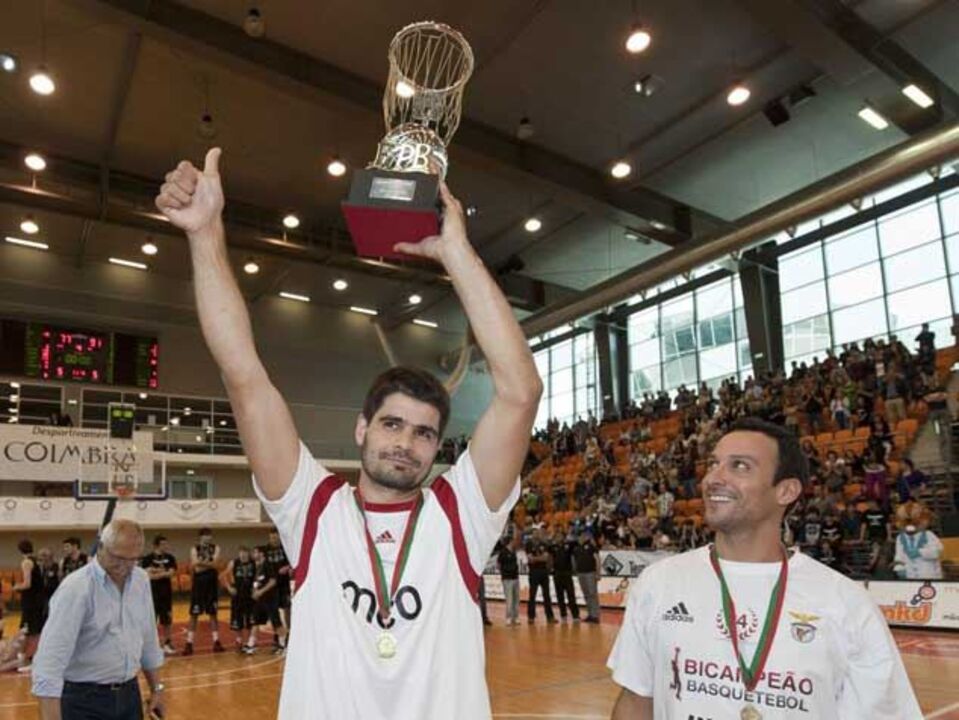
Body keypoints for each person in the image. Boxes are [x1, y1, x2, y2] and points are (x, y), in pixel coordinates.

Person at [155, 149, 541, 718]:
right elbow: (244, 376)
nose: (405, 443)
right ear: (361, 428)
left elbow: (520, 392)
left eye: (423, 434)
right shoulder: (312, 507)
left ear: (437, 448)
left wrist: (457, 254)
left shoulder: (460, 514)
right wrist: (206, 234)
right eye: (391, 424)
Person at [608, 417, 921, 719]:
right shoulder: (658, 583)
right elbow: (636, 702)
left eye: (739, 466)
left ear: (785, 491)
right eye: (713, 464)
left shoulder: (846, 604)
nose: (713, 478)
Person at [31, 519, 165, 720]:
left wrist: (157, 688)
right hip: (83, 701)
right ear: (101, 547)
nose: (124, 566)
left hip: (130, 695)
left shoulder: (140, 580)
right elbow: (49, 664)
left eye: (132, 559)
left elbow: (148, 639)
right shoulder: (76, 588)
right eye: (118, 557)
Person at [185, 527, 223, 655]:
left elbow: (216, 564)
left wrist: (202, 564)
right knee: (194, 614)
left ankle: (216, 641)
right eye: (205, 535)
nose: (208, 537)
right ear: (200, 537)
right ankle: (189, 643)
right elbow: (195, 566)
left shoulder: (216, 547)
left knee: (213, 613)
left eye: (209, 535)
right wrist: (208, 564)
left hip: (212, 584)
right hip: (199, 584)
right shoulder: (194, 548)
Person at [141, 535, 178, 654]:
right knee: (152, 620)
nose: (166, 546)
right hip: (152, 593)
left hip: (166, 593)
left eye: (166, 544)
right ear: (156, 545)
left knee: (167, 620)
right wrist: (162, 572)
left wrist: (156, 572)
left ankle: (167, 642)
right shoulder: (148, 558)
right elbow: (147, 575)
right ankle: (152, 645)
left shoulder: (170, 558)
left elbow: (171, 573)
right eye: (163, 544)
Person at [247, 546, 287, 654]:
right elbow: (258, 582)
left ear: (261, 554)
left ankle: (283, 645)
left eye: (255, 552)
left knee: (276, 623)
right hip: (260, 599)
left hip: (270, 599)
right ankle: (251, 645)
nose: (253, 554)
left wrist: (261, 591)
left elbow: (273, 581)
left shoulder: (268, 565)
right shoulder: (258, 566)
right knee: (255, 621)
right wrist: (254, 591)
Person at [12, 539, 44, 671]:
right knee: (34, 629)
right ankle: (30, 658)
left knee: (28, 630)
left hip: (30, 600)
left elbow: (27, 583)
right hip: (37, 600)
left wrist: (15, 587)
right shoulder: (36, 561)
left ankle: (27, 659)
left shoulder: (26, 562)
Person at [224, 545, 256, 652]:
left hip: (250, 595)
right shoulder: (234, 563)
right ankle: (239, 640)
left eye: (245, 552)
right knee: (237, 618)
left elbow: (257, 576)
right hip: (237, 595)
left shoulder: (253, 563)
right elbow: (223, 576)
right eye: (241, 552)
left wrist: (256, 588)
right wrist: (229, 587)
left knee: (250, 620)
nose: (242, 554)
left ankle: (249, 642)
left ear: (248, 553)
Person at [265, 528, 292, 639]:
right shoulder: (265, 550)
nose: (274, 540)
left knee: (287, 607)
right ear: (269, 538)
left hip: (284, 583)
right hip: (272, 584)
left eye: (276, 538)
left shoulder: (285, 548)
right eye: (272, 538)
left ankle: (290, 633)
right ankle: (277, 634)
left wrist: (287, 567)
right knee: (274, 611)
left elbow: (293, 561)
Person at [525, 530, 556, 624]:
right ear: (532, 534)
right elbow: (530, 559)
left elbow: (546, 558)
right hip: (534, 572)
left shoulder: (544, 544)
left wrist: (536, 559)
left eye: (539, 533)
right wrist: (540, 558)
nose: (537, 534)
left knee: (547, 595)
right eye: (535, 533)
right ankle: (531, 617)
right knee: (532, 595)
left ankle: (550, 617)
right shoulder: (529, 544)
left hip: (543, 571)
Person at [550, 530, 580, 623]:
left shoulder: (568, 546)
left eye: (560, 536)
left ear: (564, 537)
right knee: (560, 596)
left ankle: (575, 615)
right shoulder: (553, 547)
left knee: (571, 595)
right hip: (557, 574)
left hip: (567, 573)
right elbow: (546, 548)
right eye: (557, 536)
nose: (558, 538)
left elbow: (576, 543)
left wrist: (567, 539)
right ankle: (563, 615)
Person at [573, 532, 601, 623]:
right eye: (580, 536)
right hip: (581, 573)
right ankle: (590, 614)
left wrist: (598, 572)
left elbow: (597, 559)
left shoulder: (591, 546)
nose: (580, 538)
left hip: (590, 573)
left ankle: (595, 615)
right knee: (586, 594)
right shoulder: (577, 548)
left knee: (592, 594)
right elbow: (575, 560)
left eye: (582, 536)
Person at [497, 537, 520, 626]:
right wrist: (504, 572)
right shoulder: (503, 552)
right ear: (509, 542)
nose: (515, 542)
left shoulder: (514, 552)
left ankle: (516, 617)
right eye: (513, 541)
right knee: (509, 599)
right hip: (507, 579)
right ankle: (508, 617)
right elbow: (498, 565)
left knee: (516, 598)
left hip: (515, 577)